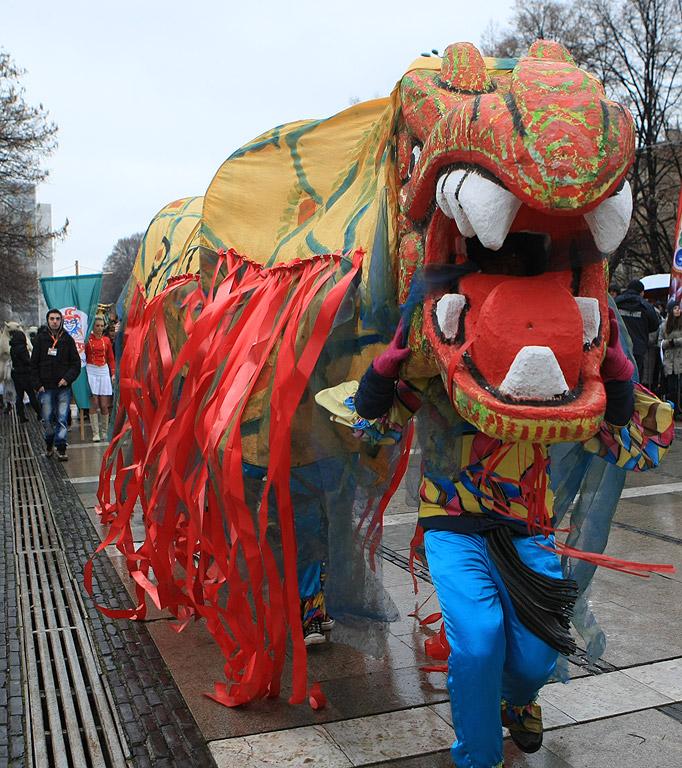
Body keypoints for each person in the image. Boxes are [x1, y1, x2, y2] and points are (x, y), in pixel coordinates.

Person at [339, 310, 667, 768]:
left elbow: (637, 444)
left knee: (536, 657)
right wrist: (384, 371)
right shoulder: (439, 367)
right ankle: (479, 758)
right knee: (478, 642)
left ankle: (517, 699)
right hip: (452, 526)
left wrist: (613, 374)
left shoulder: (555, 370)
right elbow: (369, 427)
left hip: (527, 527)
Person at [30, 309, 81, 461]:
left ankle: (61, 446)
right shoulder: (41, 339)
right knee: (46, 418)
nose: (54, 321)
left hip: (63, 386)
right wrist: (38, 384)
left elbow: (75, 364)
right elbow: (33, 365)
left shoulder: (67, 339)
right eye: (52, 319)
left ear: (61, 321)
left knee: (62, 417)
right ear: (48, 321)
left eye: (57, 319)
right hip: (45, 386)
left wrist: (67, 379)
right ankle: (49, 440)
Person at [614, 279, 660, 380]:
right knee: (636, 379)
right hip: (638, 348)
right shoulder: (646, 306)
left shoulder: (616, 302)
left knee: (617, 379)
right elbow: (655, 325)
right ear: (641, 292)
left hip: (618, 346)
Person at [85, 317, 115, 442]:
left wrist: (113, 373)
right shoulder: (87, 340)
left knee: (104, 404)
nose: (100, 328)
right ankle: (95, 433)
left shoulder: (107, 340)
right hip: (91, 370)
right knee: (94, 403)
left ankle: (104, 432)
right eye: (97, 326)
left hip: (103, 370)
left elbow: (111, 358)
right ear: (93, 327)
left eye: (102, 326)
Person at [9, 330, 41, 422]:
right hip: (24, 374)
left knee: (19, 395)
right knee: (31, 394)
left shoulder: (13, 348)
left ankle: (21, 415)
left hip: (15, 373)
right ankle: (39, 413)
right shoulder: (22, 348)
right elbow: (27, 361)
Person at [659, 299, 682, 418]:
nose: (678, 310)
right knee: (671, 386)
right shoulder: (664, 326)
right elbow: (660, 341)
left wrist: (675, 342)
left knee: (679, 386)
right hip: (669, 361)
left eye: (679, 308)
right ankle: (672, 410)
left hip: (680, 359)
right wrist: (667, 343)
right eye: (675, 308)